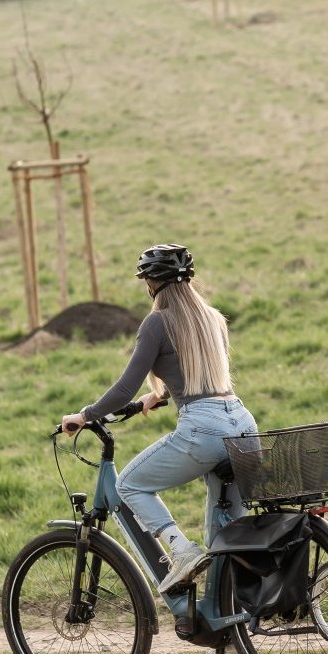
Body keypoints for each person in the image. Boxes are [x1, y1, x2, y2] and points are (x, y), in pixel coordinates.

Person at [61, 244, 256, 597]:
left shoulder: (157, 322)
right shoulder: (213, 318)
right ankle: (229, 616)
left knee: (129, 485)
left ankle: (180, 550)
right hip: (242, 423)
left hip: (204, 429)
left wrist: (85, 415)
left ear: (151, 283)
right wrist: (160, 394)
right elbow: (206, 373)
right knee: (224, 537)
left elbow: (124, 388)